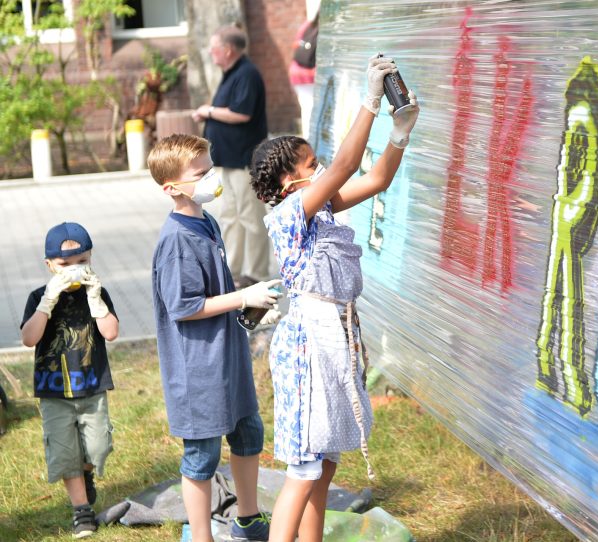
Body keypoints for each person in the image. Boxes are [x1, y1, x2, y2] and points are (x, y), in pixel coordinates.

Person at [248, 54, 419, 542]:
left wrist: (399, 133)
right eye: (309, 165)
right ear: (288, 182)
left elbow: (377, 178)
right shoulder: (287, 215)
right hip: (308, 344)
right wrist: (370, 101)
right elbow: (346, 165)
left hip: (337, 337)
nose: (320, 168)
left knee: (323, 468)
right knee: (302, 470)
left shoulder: (321, 206)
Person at [147, 134, 283, 542]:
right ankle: (203, 536)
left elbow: (214, 294)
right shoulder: (176, 242)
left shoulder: (207, 222)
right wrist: (242, 294)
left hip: (228, 357)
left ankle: (247, 518)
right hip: (197, 370)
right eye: (201, 173)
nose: (212, 178)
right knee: (202, 454)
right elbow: (184, 306)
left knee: (248, 432)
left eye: (211, 168)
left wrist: (248, 311)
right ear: (171, 188)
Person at [20, 222, 119, 538]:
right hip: (55, 392)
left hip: (91, 386)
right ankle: (82, 511)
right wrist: (47, 303)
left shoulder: (97, 292)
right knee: (65, 452)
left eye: (81, 262)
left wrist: (96, 301)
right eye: (64, 265)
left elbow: (111, 332)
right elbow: (28, 337)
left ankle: (86, 472)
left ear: (90, 259)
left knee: (98, 446)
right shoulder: (39, 296)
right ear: (49, 265)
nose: (73, 271)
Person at [193, 24, 270, 289]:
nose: (211, 54)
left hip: (244, 159)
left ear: (227, 49)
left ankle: (257, 272)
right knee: (230, 216)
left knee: (250, 216)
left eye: (214, 48)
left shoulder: (247, 74)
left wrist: (209, 111)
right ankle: (233, 270)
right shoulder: (231, 73)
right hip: (227, 159)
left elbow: (242, 113)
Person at [288, 10, 319, 140]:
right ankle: (310, 142)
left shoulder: (307, 25)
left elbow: (295, 46)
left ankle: (309, 140)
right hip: (311, 77)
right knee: (312, 112)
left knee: (306, 110)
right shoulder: (326, 29)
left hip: (297, 74)